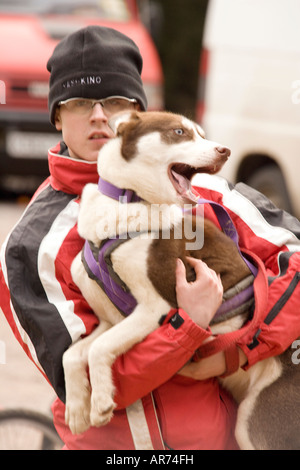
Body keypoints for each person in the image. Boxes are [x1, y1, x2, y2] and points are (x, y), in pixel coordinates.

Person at [1, 25, 300, 451]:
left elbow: (295, 260)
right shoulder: (31, 245)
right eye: (81, 102)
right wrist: (188, 327)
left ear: (138, 116)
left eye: (116, 101)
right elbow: (88, 384)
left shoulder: (206, 194)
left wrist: (238, 352)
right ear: (56, 117)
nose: (100, 116)